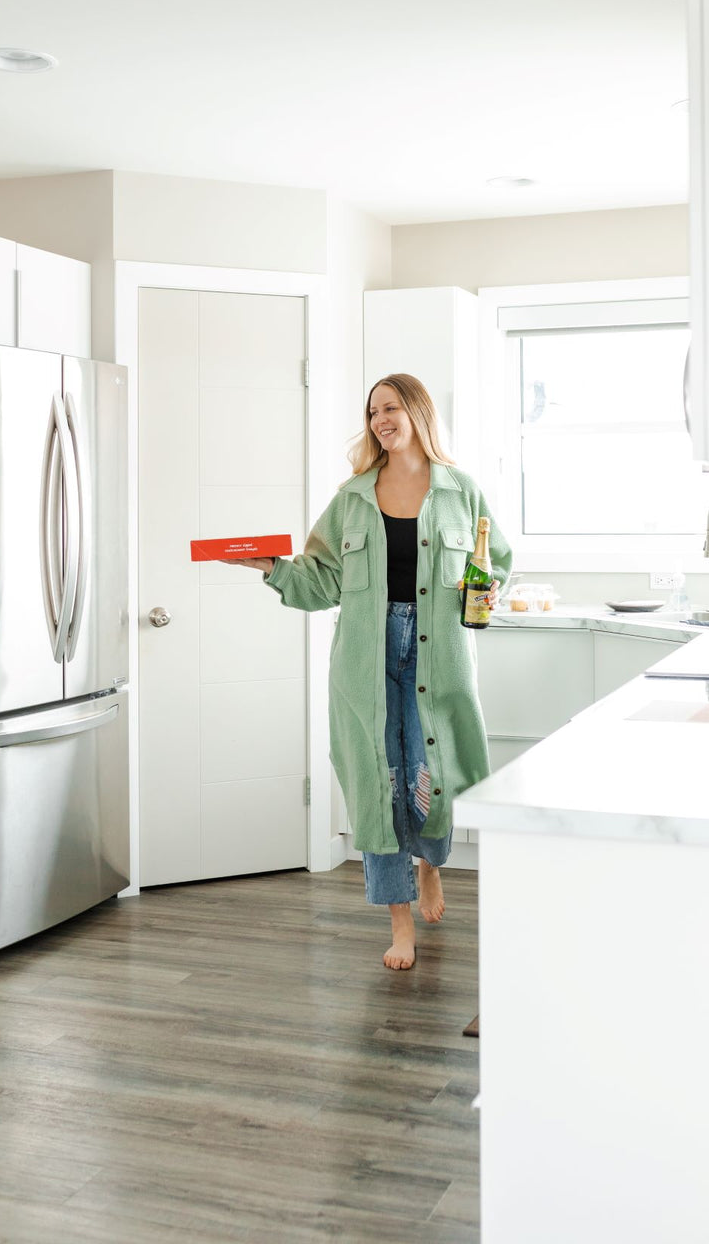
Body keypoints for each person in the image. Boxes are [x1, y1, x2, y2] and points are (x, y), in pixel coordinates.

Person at [226, 373, 511, 971]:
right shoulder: (353, 497)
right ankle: (398, 917)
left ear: (418, 413)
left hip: (443, 655)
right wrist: (271, 566)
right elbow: (322, 580)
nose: (381, 419)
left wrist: (483, 596)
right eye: (374, 410)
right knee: (379, 781)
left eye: (392, 407)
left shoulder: (461, 492)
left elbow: (497, 565)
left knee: (430, 771)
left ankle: (431, 867)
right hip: (365, 655)